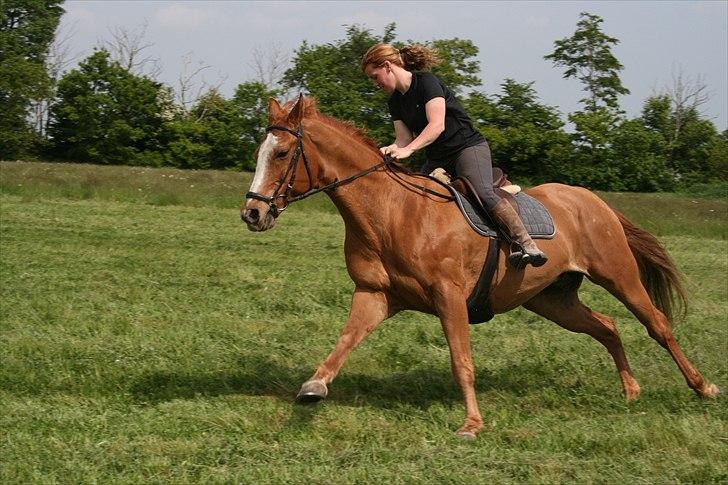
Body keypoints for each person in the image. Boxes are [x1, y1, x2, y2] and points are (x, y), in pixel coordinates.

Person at [361, 43, 547, 267]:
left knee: (483, 192)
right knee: (413, 199)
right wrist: (391, 148)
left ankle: (527, 244)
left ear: (388, 66)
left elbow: (436, 125)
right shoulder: (395, 102)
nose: (375, 83)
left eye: (375, 76)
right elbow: (403, 139)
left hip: (466, 148)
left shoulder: (426, 82)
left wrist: (408, 150)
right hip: (438, 158)